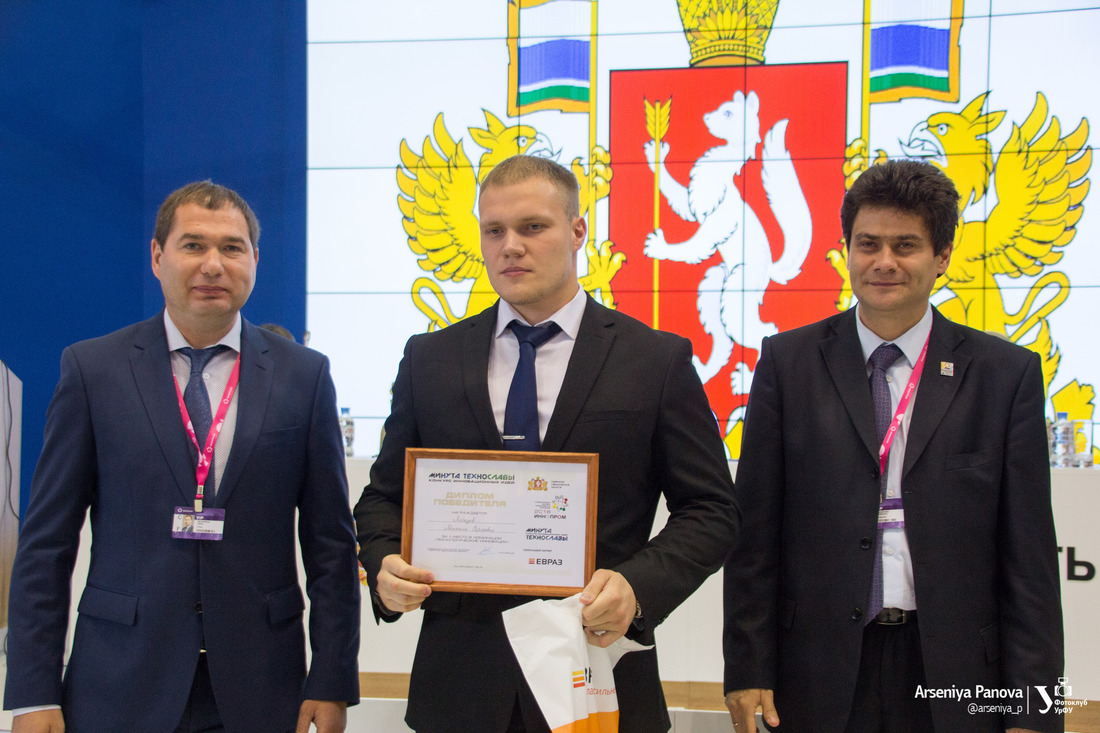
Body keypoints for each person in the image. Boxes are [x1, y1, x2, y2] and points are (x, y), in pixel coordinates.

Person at [355, 155, 739, 733]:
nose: (511, 246)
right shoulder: (429, 358)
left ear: (578, 231)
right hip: (459, 687)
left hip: (601, 673)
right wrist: (383, 566)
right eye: (495, 230)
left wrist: (638, 587)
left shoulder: (654, 360)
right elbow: (382, 500)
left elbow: (712, 511)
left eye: (533, 227)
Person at [4, 181, 361, 732]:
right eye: (193, 245)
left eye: (232, 248)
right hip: (120, 679)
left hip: (262, 685)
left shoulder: (304, 376)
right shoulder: (93, 370)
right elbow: (47, 543)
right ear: (157, 256)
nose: (213, 265)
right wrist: (31, 692)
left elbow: (331, 545)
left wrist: (333, 676)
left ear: (255, 260)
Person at [723, 160, 1063, 732]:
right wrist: (746, 667)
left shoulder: (1005, 375)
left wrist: (1033, 708)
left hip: (957, 672)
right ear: (847, 251)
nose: (884, 262)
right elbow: (755, 538)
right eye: (868, 244)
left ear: (943, 257)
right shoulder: (789, 363)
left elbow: (1029, 561)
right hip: (817, 669)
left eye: (906, 245)